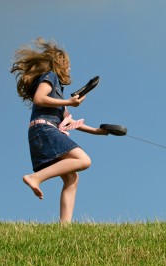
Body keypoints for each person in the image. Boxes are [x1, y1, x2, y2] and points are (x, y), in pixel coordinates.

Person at [10, 37, 108, 223]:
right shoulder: (50, 77)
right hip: (43, 129)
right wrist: (69, 102)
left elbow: (68, 120)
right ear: (58, 64)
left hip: (45, 130)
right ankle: (34, 178)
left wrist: (97, 131)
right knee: (83, 160)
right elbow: (39, 98)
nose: (69, 68)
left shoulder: (58, 93)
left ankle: (64, 228)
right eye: (67, 64)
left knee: (72, 178)